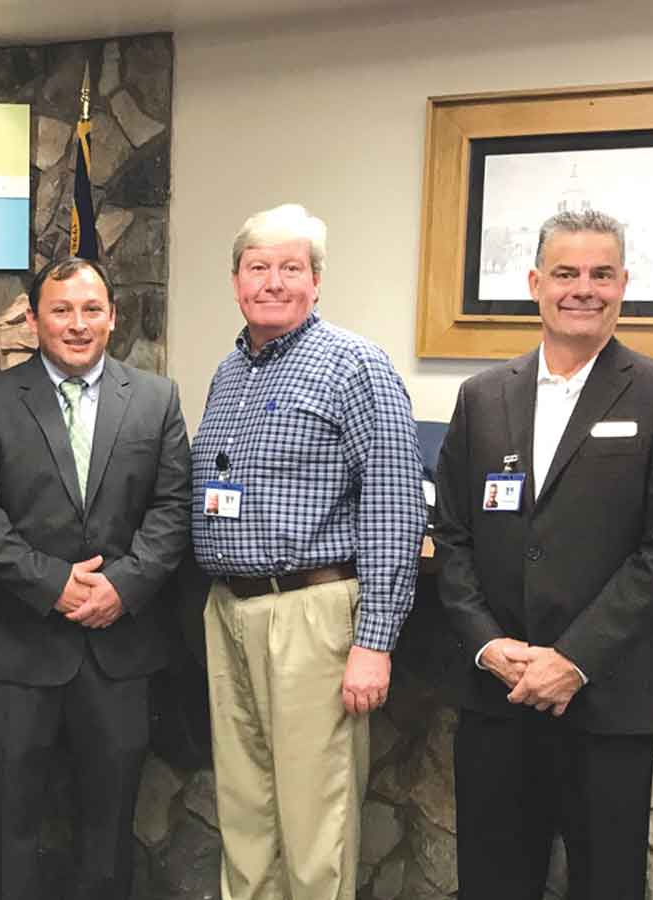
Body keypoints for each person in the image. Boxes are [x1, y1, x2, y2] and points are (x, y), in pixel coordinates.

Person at [191, 204, 426, 900]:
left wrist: (374, 641)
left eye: (290, 268)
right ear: (236, 281)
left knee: (315, 824)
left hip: (312, 616)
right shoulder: (230, 373)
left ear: (316, 281)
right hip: (229, 611)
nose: (273, 282)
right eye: (258, 267)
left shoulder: (355, 365)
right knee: (245, 815)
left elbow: (394, 506)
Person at [435, 209, 653, 900]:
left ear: (624, 284)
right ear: (536, 283)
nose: (583, 289)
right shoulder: (482, 397)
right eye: (566, 273)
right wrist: (487, 644)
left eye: (601, 274)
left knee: (606, 884)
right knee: (492, 882)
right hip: (498, 695)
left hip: (607, 698)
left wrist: (573, 660)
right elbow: (453, 537)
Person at [0, 257, 191, 900]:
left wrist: (124, 586)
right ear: (33, 320)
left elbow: (173, 508)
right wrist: (54, 584)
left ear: (113, 317)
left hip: (119, 651)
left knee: (109, 833)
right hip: (16, 649)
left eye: (91, 309)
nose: (77, 324)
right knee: (10, 829)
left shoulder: (157, 399)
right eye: (61, 310)